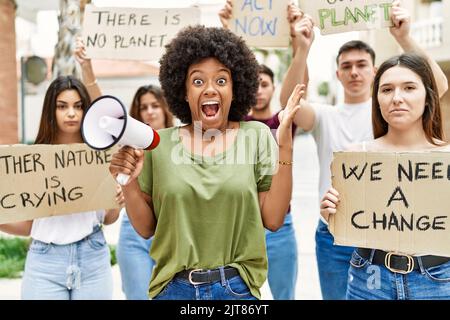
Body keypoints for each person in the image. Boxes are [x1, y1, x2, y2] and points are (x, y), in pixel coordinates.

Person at [109, 25, 303, 300]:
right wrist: (128, 183)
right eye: (198, 81)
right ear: (183, 91)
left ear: (235, 89)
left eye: (221, 81)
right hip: (173, 289)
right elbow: (145, 228)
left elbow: (272, 219)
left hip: (237, 290)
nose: (210, 89)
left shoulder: (255, 136)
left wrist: (285, 147)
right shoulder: (156, 144)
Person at [280, 0, 448, 299]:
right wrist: (302, 48)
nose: (398, 98)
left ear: (373, 72)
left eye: (409, 88)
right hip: (349, 246)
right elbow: (290, 105)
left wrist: (403, 37)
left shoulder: (438, 152)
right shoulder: (328, 118)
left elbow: (435, 83)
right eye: (346, 66)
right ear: (338, 74)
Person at [320, 52, 450, 300]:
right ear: (377, 99)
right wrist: (330, 214)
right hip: (368, 279)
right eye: (387, 89)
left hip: (438, 280)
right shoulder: (355, 157)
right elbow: (342, 219)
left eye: (409, 87)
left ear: (427, 97)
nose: (397, 98)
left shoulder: (447, 159)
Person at [0, 76, 121, 300]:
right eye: (62, 106)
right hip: (45, 260)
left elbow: (107, 218)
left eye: (78, 106)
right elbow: (28, 226)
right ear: (51, 111)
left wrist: (117, 202)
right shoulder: (32, 159)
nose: (71, 113)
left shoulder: (101, 153)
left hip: (92, 256)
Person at [74, 41, 174, 300]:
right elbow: (101, 107)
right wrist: (87, 69)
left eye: (154, 105)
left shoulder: (179, 140)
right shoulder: (128, 139)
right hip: (133, 231)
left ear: (165, 108)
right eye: (143, 107)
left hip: (171, 228)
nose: (149, 111)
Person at [218, 0, 304, 300]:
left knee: (283, 295)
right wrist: (228, 30)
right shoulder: (235, 122)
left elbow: (298, 84)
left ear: (272, 87)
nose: (258, 89)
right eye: (253, 84)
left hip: (280, 227)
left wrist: (299, 45)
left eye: (264, 83)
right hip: (241, 224)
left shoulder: (284, 119)